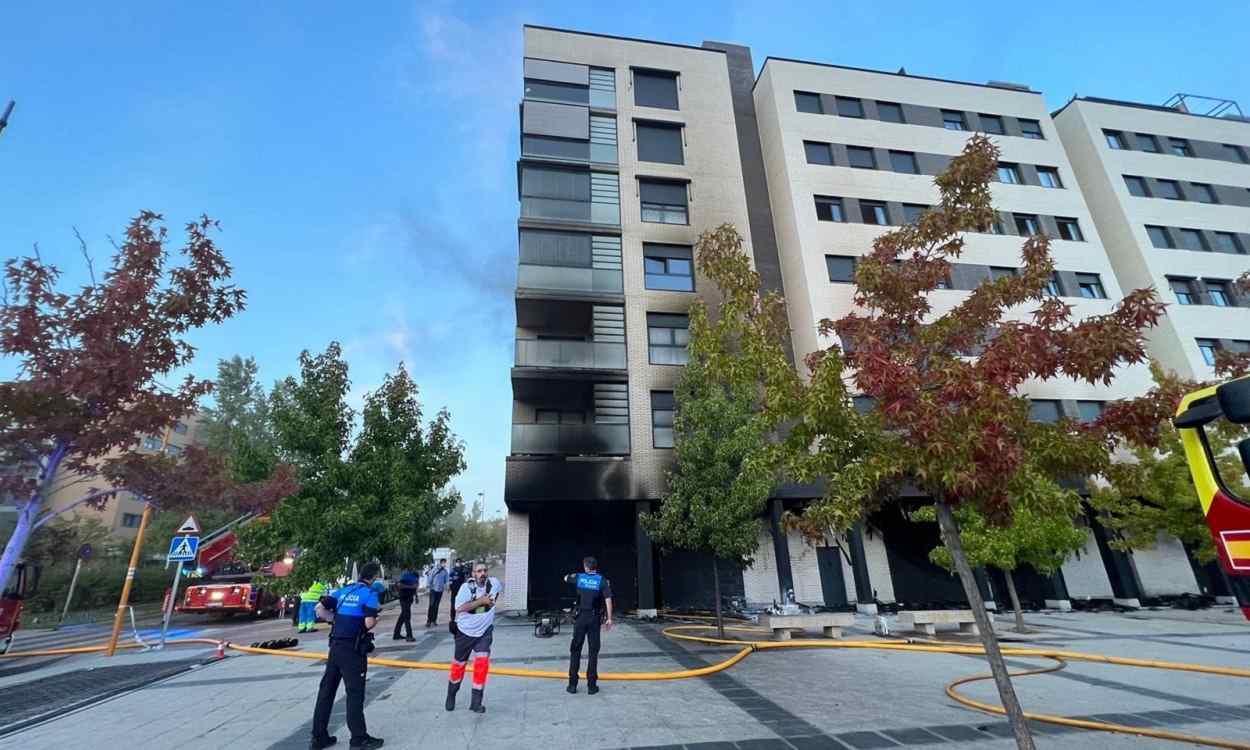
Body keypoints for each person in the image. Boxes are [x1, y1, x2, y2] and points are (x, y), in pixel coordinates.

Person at [309, 563, 385, 750]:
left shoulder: (344, 590)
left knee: (326, 691)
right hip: (353, 650)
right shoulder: (370, 594)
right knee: (354, 693)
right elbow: (368, 623)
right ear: (374, 577)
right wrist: (376, 620)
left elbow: (319, 609)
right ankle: (358, 739)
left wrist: (335, 620)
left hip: (335, 646)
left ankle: (318, 737)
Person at [445, 561, 501, 714]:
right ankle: (451, 694)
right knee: (458, 666)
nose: (482, 573)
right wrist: (481, 601)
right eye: (478, 571)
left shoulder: (494, 584)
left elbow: (496, 596)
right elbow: (459, 608)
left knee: (482, 666)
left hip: (484, 633)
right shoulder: (466, 588)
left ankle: (476, 702)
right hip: (465, 633)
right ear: (473, 574)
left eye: (484, 570)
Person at [564, 556, 613, 695]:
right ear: (595, 567)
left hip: (580, 618)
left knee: (575, 650)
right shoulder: (601, 580)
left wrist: (574, 576)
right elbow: (608, 599)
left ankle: (572, 685)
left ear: (586, 566)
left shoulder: (579, 577)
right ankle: (592, 686)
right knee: (593, 651)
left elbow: (565, 578)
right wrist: (609, 618)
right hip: (594, 618)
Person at [392, 569, 418, 642]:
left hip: (409, 598)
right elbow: (399, 585)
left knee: (403, 616)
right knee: (407, 616)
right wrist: (411, 587)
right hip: (404, 598)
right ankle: (409, 635)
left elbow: (415, 586)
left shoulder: (414, 576)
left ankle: (396, 634)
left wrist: (416, 596)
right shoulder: (404, 577)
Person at [426, 559, 448, 627]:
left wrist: (447, 587)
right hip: (433, 590)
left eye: (445, 563)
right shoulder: (434, 569)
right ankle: (429, 620)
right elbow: (430, 578)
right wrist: (428, 587)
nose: (444, 564)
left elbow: (446, 581)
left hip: (440, 590)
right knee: (431, 605)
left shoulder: (445, 571)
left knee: (436, 606)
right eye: (443, 563)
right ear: (441, 563)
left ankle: (434, 620)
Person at [447, 558, 467, 625]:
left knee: (462, 604)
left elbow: (466, 579)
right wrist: (449, 587)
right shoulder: (453, 570)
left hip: (462, 590)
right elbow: (450, 579)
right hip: (454, 590)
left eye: (459, 562)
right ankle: (452, 618)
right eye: (457, 562)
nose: (458, 563)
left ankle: (462, 618)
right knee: (453, 605)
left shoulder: (464, 569)